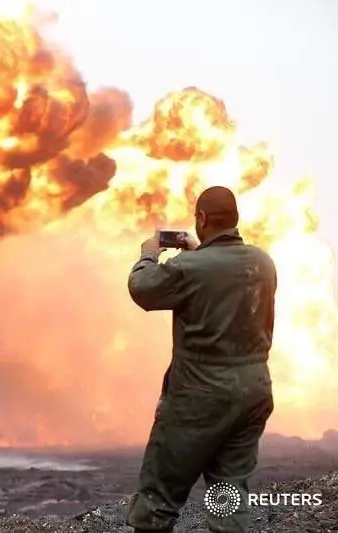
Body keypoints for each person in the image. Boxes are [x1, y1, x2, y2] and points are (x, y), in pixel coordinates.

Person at [124, 186, 277, 533]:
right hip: (253, 392)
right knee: (229, 493)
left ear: (202, 219)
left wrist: (148, 254)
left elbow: (142, 289)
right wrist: (201, 252)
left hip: (199, 395)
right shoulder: (263, 262)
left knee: (158, 500)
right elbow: (225, 280)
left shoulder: (189, 267)